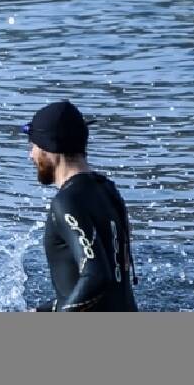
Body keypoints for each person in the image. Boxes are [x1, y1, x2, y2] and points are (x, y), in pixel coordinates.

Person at [23, 100, 138, 311]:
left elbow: (96, 278)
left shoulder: (66, 202)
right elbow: (107, 289)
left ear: (49, 147)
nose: (31, 154)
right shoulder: (108, 190)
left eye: (34, 146)